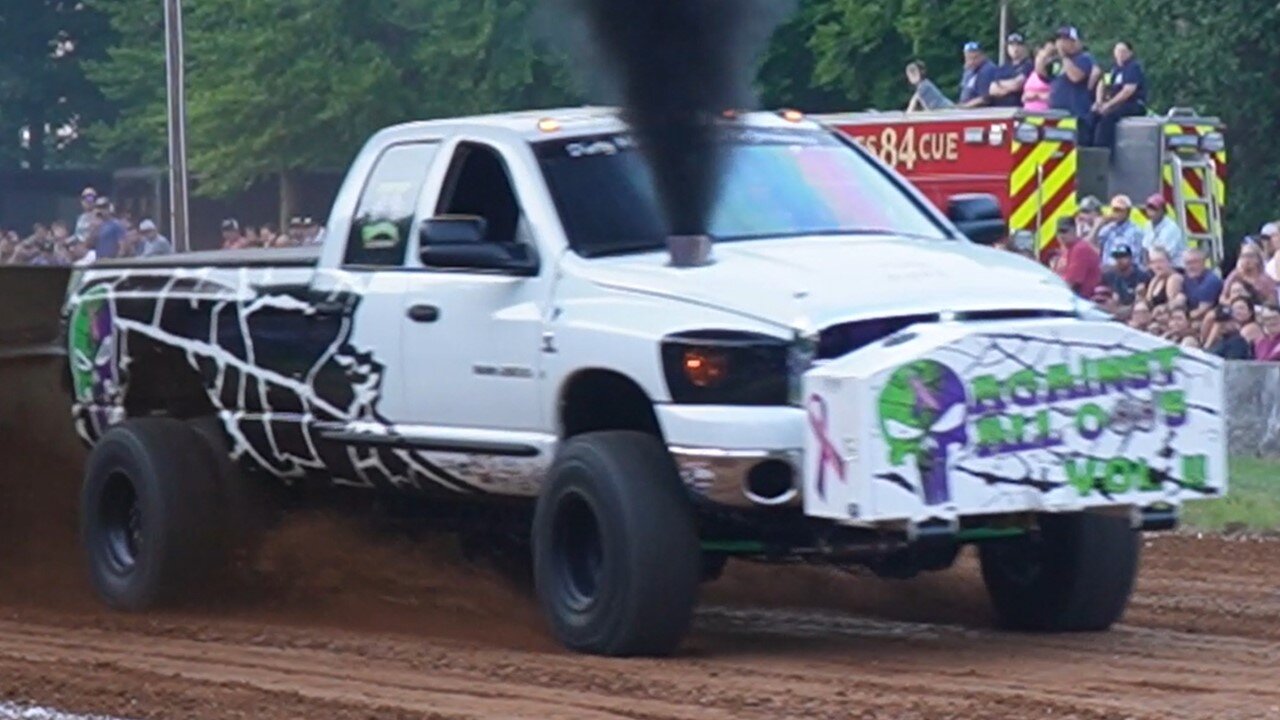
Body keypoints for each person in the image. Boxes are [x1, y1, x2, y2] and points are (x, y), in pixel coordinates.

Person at [1090, 41, 1147, 149]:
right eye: (1117, 51)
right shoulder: (1114, 69)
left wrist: (1109, 105)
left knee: (1108, 118)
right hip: (1114, 104)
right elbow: (1102, 84)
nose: (1120, 54)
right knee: (1092, 115)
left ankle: (1102, 151)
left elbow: (1128, 91)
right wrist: (1099, 103)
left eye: (1123, 51)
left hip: (1132, 104)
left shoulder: (1133, 68)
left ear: (1130, 53)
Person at [1048, 26, 1096, 126]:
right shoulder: (1057, 61)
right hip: (1055, 113)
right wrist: (1045, 53)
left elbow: (1075, 77)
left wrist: (1064, 56)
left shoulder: (1084, 58)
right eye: (1059, 40)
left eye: (1065, 40)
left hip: (1076, 115)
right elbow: (1040, 72)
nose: (1061, 43)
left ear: (1075, 42)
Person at [1054, 215, 1101, 298]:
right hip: (1070, 296)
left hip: (1083, 299)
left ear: (1074, 231)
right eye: (1058, 232)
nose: (1061, 235)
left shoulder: (1080, 249)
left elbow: (1071, 283)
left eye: (1065, 231)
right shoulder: (1067, 248)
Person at [1096, 195, 1145, 269]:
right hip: (1106, 271)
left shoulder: (1136, 232)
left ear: (1128, 212)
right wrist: (1098, 225)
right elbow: (1092, 245)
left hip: (1125, 272)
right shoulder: (1107, 229)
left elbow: (1134, 258)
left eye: (1120, 210)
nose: (1117, 213)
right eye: (1115, 210)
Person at [1140, 195, 1186, 268]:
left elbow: (1165, 254)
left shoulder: (1171, 228)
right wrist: (1145, 266)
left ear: (1163, 210)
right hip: (1155, 265)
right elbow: (1145, 248)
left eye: (1155, 209)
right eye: (1149, 208)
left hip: (1175, 266)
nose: (1151, 211)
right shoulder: (1148, 225)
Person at [989, 33, 1033, 107]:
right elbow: (992, 90)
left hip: (1017, 110)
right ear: (1007, 48)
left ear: (1024, 47)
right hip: (999, 111)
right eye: (1011, 45)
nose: (1015, 48)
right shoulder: (1002, 68)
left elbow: (1016, 85)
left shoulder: (1028, 65)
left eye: (1018, 45)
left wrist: (999, 84)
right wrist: (1008, 88)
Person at [1182, 248, 1223, 317]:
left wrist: (1180, 318)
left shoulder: (1211, 280)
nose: (1191, 266)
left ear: (1204, 262)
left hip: (1206, 318)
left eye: (1195, 262)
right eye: (1187, 263)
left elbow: (1201, 311)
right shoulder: (1186, 277)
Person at [958, 41, 999, 107]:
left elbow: (985, 98)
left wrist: (965, 106)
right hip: (964, 108)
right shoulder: (969, 70)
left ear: (983, 56)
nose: (971, 61)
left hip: (980, 111)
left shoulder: (987, 70)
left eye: (975, 58)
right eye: (968, 58)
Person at [1021, 39, 1055, 111]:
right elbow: (1024, 96)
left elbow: (1056, 95)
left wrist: (1037, 96)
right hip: (1028, 111)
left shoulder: (1052, 73)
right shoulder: (1030, 72)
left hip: (1045, 112)